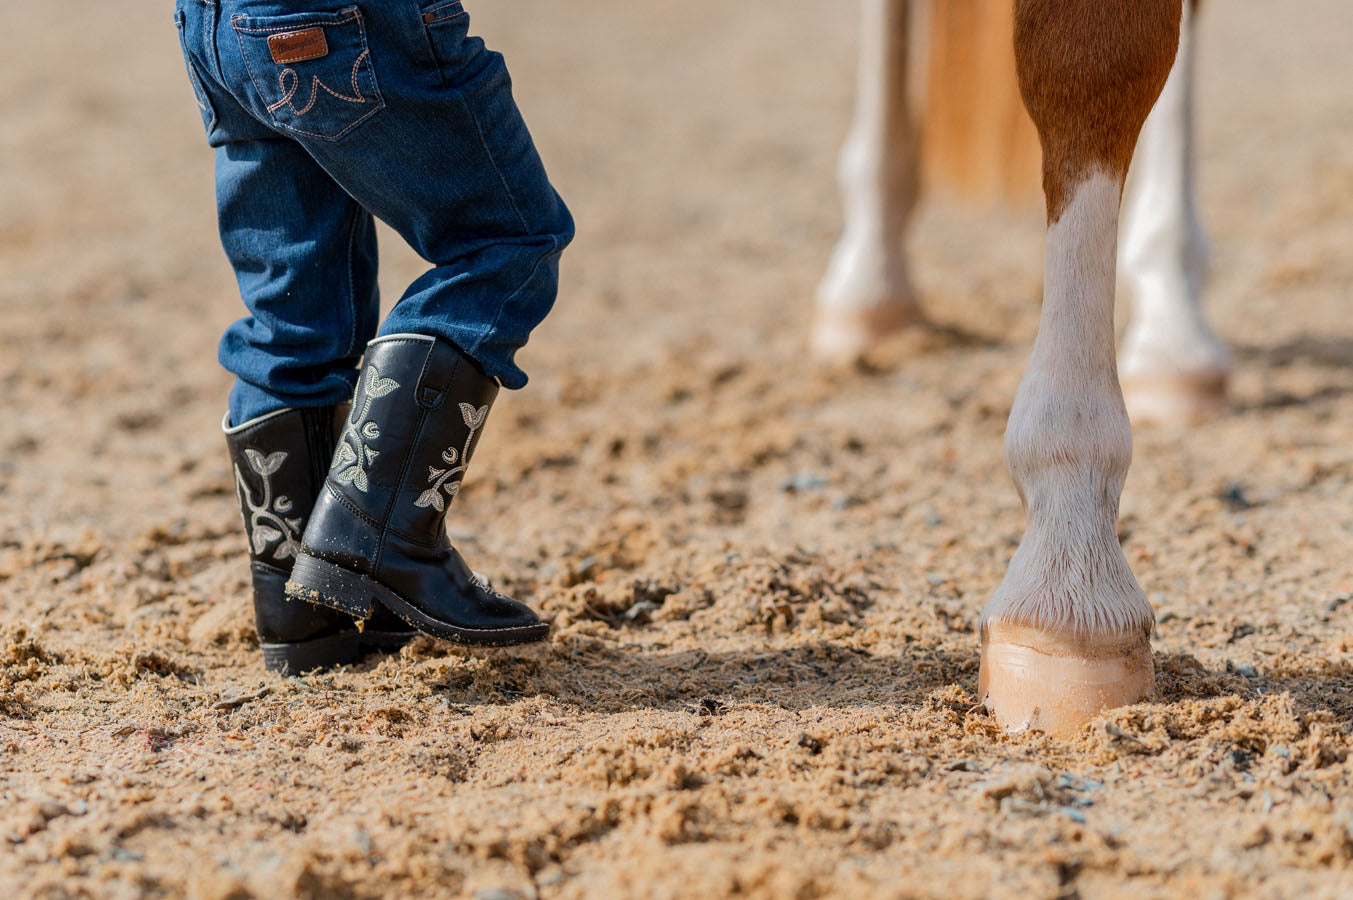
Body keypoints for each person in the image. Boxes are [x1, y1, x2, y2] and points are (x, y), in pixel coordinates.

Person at [175, 0, 572, 672]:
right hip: (344, 19)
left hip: (217, 26)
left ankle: (307, 612)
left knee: (297, 316)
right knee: (509, 239)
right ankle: (384, 540)